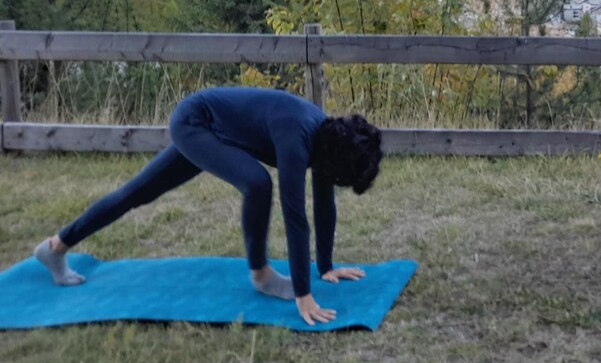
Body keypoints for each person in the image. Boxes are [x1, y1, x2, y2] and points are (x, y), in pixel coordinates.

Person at [33, 86, 383, 325]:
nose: (334, 183)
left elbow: (323, 204)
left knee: (137, 192)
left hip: (218, 131)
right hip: (196, 122)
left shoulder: (326, 138)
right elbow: (296, 214)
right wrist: (304, 295)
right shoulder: (298, 138)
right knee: (257, 183)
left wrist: (325, 266)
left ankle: (55, 247)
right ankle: (261, 275)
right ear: (337, 158)